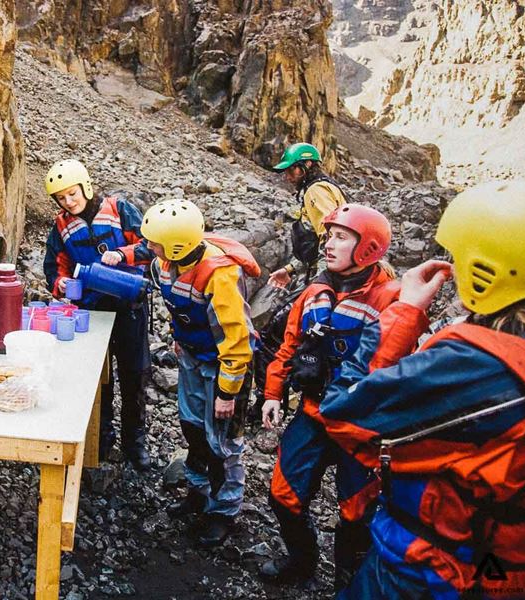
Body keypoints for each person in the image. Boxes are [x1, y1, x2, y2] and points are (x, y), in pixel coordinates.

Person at [317, 180, 525, 599]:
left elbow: (344, 411)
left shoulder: (476, 366)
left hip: (430, 566)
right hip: (501, 565)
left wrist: (406, 311)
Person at [259, 204, 400, 589]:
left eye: (341, 237)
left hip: (361, 426)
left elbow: (403, 368)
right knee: (282, 496)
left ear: (368, 248)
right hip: (313, 411)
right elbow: (290, 345)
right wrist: (273, 392)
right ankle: (302, 562)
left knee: (358, 513)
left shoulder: (391, 299)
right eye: (329, 235)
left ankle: (348, 581)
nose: (328, 244)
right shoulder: (315, 291)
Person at [141, 199, 260, 547]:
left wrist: (227, 392)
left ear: (178, 244)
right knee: (193, 427)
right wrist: (179, 340)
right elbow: (179, 307)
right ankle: (198, 490)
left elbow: (236, 341)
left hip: (224, 367)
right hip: (193, 357)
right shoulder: (167, 262)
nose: (150, 248)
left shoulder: (219, 276)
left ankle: (223, 511)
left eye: (155, 242)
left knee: (223, 441)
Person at [42, 159, 153, 470]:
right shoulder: (61, 226)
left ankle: (135, 441)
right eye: (61, 198)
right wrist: (60, 283)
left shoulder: (119, 210)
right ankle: (102, 438)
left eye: (73, 194)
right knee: (97, 379)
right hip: (93, 310)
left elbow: (150, 245)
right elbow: (54, 267)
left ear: (85, 187)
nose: (69, 202)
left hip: (129, 306)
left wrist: (123, 254)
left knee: (134, 374)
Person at [267, 142, 347, 288]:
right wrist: (290, 269)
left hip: (329, 276)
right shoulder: (323, 186)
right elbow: (313, 243)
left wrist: (322, 283)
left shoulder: (316, 191)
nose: (288, 177)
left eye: (291, 170)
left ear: (308, 164)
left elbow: (329, 235)